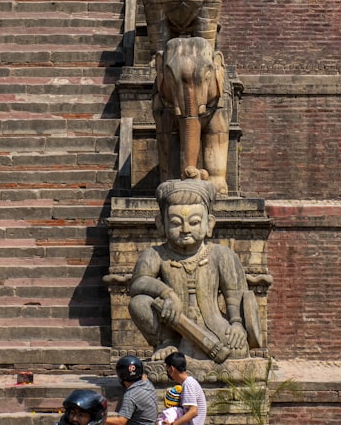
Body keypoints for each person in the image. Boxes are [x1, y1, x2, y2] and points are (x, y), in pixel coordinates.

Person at [128, 179, 259, 362]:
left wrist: (237, 325)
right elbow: (138, 283)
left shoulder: (221, 255)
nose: (185, 229)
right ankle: (165, 343)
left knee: (236, 351)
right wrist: (167, 293)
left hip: (214, 328)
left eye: (195, 222)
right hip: (174, 328)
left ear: (209, 224)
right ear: (161, 224)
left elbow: (235, 296)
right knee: (139, 303)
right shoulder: (156, 254)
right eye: (175, 223)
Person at [105, 356, 157, 425]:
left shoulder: (130, 395)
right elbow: (143, 376)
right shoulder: (148, 384)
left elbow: (121, 421)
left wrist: (101, 420)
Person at [163, 352, 207, 425]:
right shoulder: (189, 382)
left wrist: (173, 424)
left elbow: (193, 411)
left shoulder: (188, 384)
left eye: (167, 368)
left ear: (171, 369)